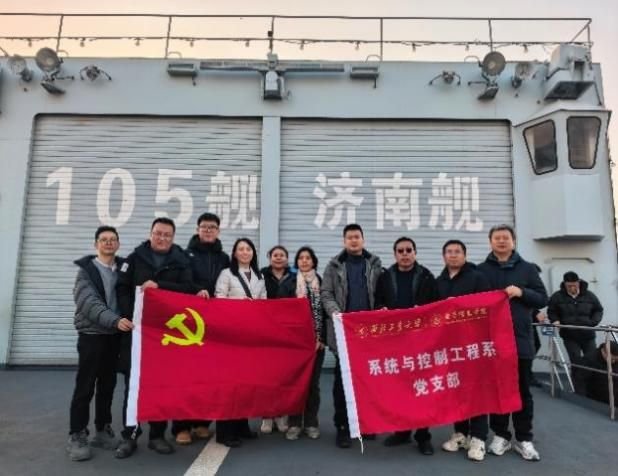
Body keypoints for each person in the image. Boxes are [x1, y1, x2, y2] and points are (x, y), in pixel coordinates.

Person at [115, 217, 195, 458]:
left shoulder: (181, 260)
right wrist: (130, 314)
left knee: (162, 384)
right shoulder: (134, 258)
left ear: (173, 237)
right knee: (134, 386)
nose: (162, 238)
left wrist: (160, 285)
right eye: (158, 233)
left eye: (167, 235)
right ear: (151, 234)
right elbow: (122, 288)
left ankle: (157, 435)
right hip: (138, 334)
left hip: (166, 335)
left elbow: (188, 289)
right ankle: (130, 435)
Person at [477, 224, 548, 462]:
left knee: (522, 391)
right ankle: (501, 435)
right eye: (497, 238)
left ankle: (524, 438)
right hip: (492, 342)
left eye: (505, 237)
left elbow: (542, 298)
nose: (501, 241)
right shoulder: (481, 270)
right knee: (497, 389)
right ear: (490, 242)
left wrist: (522, 292)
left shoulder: (527, 269)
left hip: (520, 341)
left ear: (513, 241)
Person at [67, 226, 133, 461]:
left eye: (112, 239)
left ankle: (103, 429)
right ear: (96, 244)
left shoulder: (124, 268)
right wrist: (115, 321)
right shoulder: (86, 271)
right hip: (92, 336)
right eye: (103, 239)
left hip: (114, 337)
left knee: (108, 385)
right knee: (85, 387)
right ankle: (77, 433)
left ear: (118, 243)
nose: (108, 243)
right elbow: (89, 303)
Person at [321, 223, 389, 449]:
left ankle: (364, 424)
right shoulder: (334, 265)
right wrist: (335, 313)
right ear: (344, 241)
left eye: (357, 237)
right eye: (349, 237)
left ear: (363, 239)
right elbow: (326, 293)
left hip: (368, 334)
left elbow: (382, 293)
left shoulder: (375, 263)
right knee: (342, 382)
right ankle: (343, 426)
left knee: (367, 382)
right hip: (344, 332)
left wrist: (382, 309)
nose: (353, 240)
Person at [172, 212, 230, 445]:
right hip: (190, 322)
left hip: (215, 324)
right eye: (204, 226)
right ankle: (181, 426)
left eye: (212, 227)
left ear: (218, 231)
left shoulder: (224, 258)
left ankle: (202, 422)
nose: (208, 230)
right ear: (197, 229)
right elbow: (182, 282)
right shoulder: (185, 255)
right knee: (186, 376)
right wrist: (195, 290)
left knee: (210, 375)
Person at [381, 236, 439, 456]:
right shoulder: (386, 277)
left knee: (421, 389)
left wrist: (422, 311)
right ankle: (402, 431)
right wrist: (382, 309)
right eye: (400, 251)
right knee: (399, 389)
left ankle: (423, 436)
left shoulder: (426, 277)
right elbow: (378, 301)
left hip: (420, 342)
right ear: (395, 254)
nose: (404, 254)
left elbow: (436, 306)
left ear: (415, 252)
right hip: (395, 342)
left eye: (408, 250)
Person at [436, 239, 491, 461]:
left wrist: (460, 305)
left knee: (476, 390)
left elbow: (487, 305)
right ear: (444, 256)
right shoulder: (439, 282)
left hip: (473, 344)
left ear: (465, 255)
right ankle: (460, 434)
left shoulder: (478, 277)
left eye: (457, 251)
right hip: (450, 344)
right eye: (449, 251)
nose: (453, 255)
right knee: (456, 389)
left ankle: (478, 438)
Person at [214, 237, 267, 448]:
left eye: (248, 249)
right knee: (229, 384)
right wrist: (239, 305)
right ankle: (224, 432)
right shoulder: (226, 274)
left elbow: (264, 303)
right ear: (235, 253)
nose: (245, 252)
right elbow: (218, 299)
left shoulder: (260, 276)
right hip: (230, 335)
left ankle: (242, 425)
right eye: (241, 249)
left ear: (253, 253)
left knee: (246, 383)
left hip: (250, 336)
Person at [278, 246, 326, 441]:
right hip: (295, 345)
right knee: (296, 385)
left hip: (316, 344)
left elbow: (325, 313)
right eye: (301, 258)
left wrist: (322, 339)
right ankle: (294, 423)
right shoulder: (288, 283)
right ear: (296, 262)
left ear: (313, 261)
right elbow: (281, 312)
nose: (304, 261)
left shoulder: (322, 282)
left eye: (308, 258)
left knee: (313, 386)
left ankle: (311, 423)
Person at [259, 245, 292, 435]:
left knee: (284, 377)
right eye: (275, 255)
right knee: (266, 376)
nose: (278, 258)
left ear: (287, 258)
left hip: (287, 334)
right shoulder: (261, 275)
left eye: (282, 255)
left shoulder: (295, 276)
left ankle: (281, 415)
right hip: (266, 332)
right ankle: (266, 416)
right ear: (269, 257)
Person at [547, 271, 604, 368]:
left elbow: (598, 310)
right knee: (575, 362)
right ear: (565, 284)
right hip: (569, 336)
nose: (572, 288)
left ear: (578, 283)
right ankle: (577, 378)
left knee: (592, 361)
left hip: (588, 334)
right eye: (569, 286)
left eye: (574, 285)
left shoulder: (589, 295)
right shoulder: (557, 297)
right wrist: (555, 320)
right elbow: (551, 311)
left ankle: (591, 378)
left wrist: (593, 322)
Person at [580, 342, 618, 407]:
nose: (613, 361)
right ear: (603, 351)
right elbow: (580, 380)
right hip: (598, 394)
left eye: (616, 360)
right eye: (611, 359)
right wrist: (581, 400)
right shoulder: (589, 360)